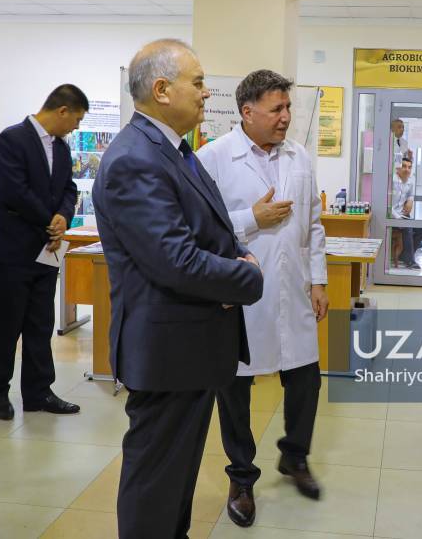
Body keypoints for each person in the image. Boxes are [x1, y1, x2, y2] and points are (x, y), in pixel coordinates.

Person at [93, 39, 263, 539]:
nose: (207, 93)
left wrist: (235, 253)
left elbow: (210, 230)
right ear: (162, 90)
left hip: (190, 347)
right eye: (199, 82)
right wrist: (245, 276)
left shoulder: (174, 150)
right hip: (166, 351)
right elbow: (175, 260)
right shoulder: (135, 159)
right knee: (155, 482)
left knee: (175, 478)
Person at [197, 69, 329, 527]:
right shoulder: (214, 158)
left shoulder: (299, 156)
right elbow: (200, 228)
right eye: (277, 109)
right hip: (241, 294)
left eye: (288, 107)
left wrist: (318, 281)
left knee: (306, 379)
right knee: (235, 389)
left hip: (294, 290)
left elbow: (313, 224)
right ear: (247, 112)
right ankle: (241, 478)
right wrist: (252, 218)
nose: (286, 117)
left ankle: (294, 455)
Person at [0, 84, 89, 421]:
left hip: (45, 252)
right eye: (76, 119)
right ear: (62, 111)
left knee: (40, 325)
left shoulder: (61, 147)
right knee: (4, 327)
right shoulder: (12, 140)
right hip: (10, 253)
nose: (76, 127)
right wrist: (50, 222)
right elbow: (15, 191)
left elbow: (69, 188)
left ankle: (38, 392)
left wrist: (64, 217)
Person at [390, 157, 422, 270]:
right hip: (390, 216)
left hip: (403, 215)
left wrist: (410, 200)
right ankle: (410, 260)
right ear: (398, 168)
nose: (407, 169)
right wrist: (398, 218)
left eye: (409, 167)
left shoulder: (410, 181)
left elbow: (410, 194)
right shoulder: (392, 181)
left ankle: (405, 254)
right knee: (408, 227)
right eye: (404, 166)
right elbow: (386, 205)